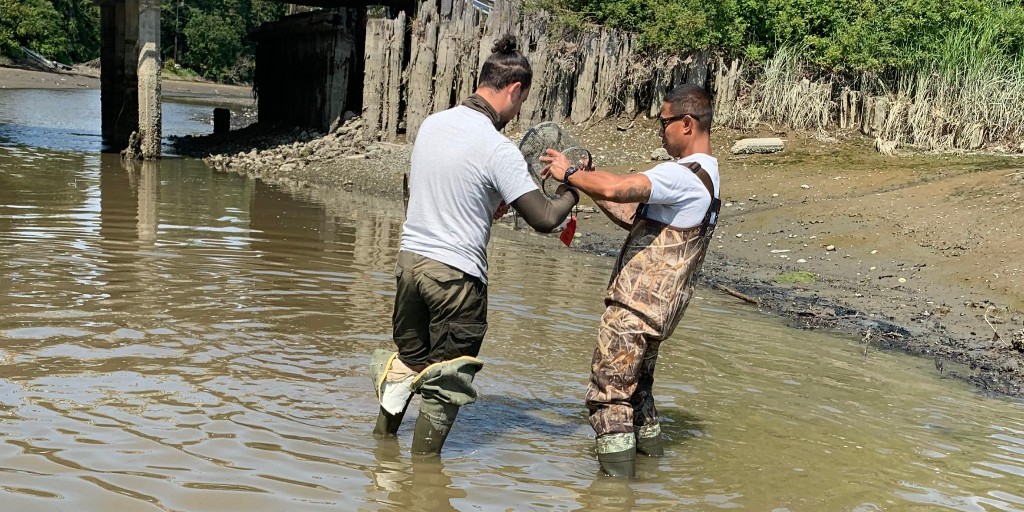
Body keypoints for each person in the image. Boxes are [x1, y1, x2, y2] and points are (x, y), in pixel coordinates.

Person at [369, 34, 580, 455]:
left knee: (408, 366)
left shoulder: (432, 124)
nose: (517, 114)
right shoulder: (496, 147)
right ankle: (423, 481)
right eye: (520, 103)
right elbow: (545, 218)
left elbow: (440, 193)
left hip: (410, 266)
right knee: (445, 387)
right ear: (514, 89)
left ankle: (381, 454)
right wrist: (573, 182)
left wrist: (486, 207)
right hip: (456, 281)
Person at [540, 83, 721, 477]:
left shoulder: (681, 175)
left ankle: (614, 494)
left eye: (664, 122)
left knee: (608, 400)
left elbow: (619, 187)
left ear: (687, 124)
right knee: (638, 397)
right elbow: (632, 216)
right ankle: (650, 480)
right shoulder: (706, 176)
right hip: (658, 312)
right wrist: (584, 181)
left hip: (633, 310)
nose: (661, 130)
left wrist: (567, 172)